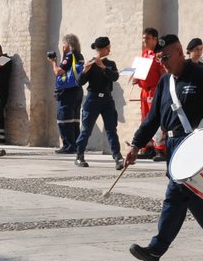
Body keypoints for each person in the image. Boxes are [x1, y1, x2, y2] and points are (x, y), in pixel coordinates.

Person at [123, 34, 203, 261]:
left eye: (166, 57)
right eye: (159, 58)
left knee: (176, 194)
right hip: (174, 146)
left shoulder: (201, 76)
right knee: (193, 199)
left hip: (196, 145)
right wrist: (137, 145)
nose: (163, 62)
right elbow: (153, 119)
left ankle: (156, 249)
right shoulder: (164, 83)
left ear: (179, 53)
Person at [72, 36, 124, 168]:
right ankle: (79, 155)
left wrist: (103, 67)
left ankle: (117, 157)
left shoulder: (110, 64)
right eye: (108, 47)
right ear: (102, 49)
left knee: (111, 129)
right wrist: (84, 71)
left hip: (107, 99)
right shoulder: (90, 63)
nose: (109, 49)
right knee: (86, 130)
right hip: (92, 99)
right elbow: (79, 82)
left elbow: (115, 77)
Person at [131, 27, 167, 160]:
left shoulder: (158, 55)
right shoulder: (144, 54)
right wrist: (136, 78)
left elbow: (163, 73)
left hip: (155, 90)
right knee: (145, 119)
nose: (144, 41)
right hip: (144, 91)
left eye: (147, 38)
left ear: (155, 39)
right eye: (143, 38)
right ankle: (148, 147)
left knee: (155, 119)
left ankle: (160, 149)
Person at [51, 34, 85, 153]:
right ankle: (75, 145)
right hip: (77, 90)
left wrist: (53, 62)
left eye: (64, 44)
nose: (63, 47)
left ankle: (68, 146)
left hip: (67, 91)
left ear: (68, 45)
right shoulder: (80, 55)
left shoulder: (69, 56)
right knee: (74, 119)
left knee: (64, 119)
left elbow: (58, 72)